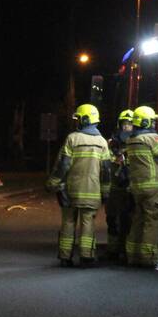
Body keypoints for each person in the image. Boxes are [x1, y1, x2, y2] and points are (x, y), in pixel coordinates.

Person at [45, 103, 112, 267]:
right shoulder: (103, 143)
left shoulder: (72, 139)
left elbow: (63, 165)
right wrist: (105, 192)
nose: (77, 122)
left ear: (84, 119)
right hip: (92, 191)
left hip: (71, 191)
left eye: (78, 118)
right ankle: (86, 256)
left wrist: (52, 184)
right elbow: (106, 171)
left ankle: (65, 257)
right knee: (87, 222)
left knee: (68, 222)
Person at [125, 105, 158, 268]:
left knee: (138, 220)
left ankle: (132, 255)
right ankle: (148, 257)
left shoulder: (131, 140)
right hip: (153, 187)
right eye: (152, 121)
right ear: (146, 122)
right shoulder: (152, 138)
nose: (153, 124)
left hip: (137, 188)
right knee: (152, 222)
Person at [104, 109, 135, 261]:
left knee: (127, 221)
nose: (127, 128)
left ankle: (125, 250)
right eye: (125, 124)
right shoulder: (111, 144)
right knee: (112, 220)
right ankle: (112, 250)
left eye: (130, 124)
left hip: (130, 189)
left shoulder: (137, 143)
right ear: (119, 125)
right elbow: (104, 164)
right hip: (114, 189)